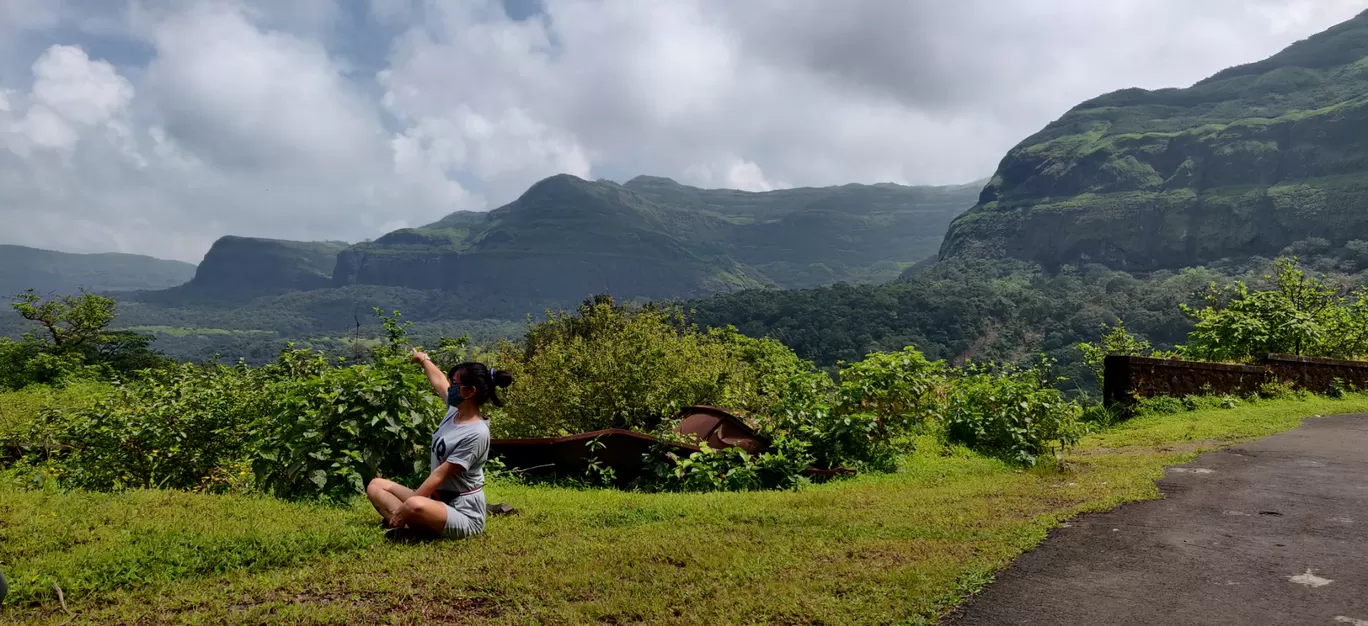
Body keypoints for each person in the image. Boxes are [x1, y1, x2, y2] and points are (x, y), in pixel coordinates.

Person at [365, 349, 513, 539]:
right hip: (438, 499)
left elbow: (439, 474)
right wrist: (423, 360)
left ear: (470, 391)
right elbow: (439, 382)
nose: (450, 387)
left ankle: (407, 521)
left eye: (455, 384)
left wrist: (405, 507)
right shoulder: (455, 411)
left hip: (464, 512)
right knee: (376, 485)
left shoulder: (476, 432)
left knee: (413, 504)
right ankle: (409, 525)